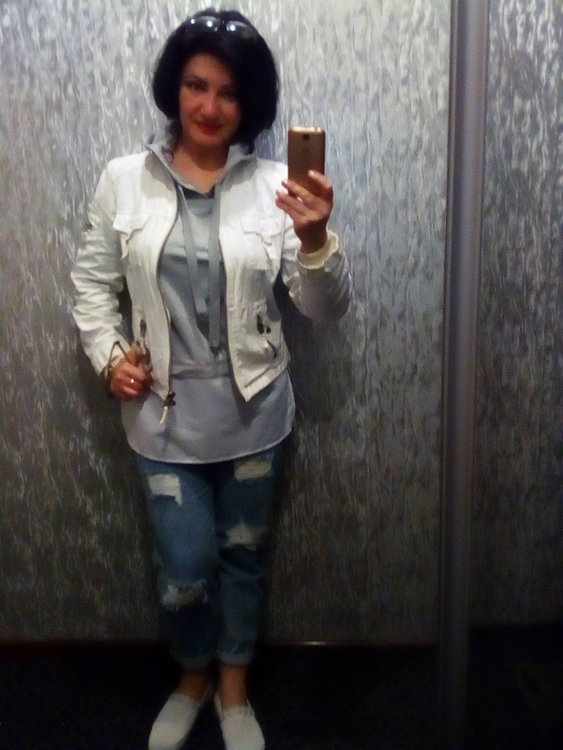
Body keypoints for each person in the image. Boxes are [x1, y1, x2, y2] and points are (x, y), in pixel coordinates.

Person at [71, 8, 350, 750]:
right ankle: (191, 674)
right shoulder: (124, 181)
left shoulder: (275, 188)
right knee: (185, 569)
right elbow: (92, 287)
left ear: (248, 104)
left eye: (228, 92)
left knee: (244, 556)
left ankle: (232, 685)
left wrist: (315, 237)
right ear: (174, 87)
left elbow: (323, 310)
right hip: (162, 421)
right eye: (196, 85)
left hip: (254, 413)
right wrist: (109, 358)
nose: (209, 106)